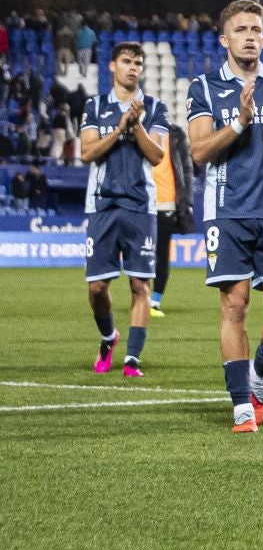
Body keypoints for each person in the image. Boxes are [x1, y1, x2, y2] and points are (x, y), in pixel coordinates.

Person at [185, 0, 263, 433]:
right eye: (241, 29)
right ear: (225, 39)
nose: (251, 36)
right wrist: (239, 122)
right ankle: (241, 405)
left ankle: (258, 375)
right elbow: (198, 151)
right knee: (234, 306)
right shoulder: (203, 87)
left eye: (256, 29)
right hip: (227, 212)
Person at [80, 42, 170, 376]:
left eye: (138, 63)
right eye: (127, 62)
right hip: (102, 204)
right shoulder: (94, 106)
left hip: (140, 206)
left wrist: (136, 126)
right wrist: (120, 127)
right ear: (113, 67)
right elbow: (87, 153)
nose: (133, 68)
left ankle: (132, 358)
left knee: (139, 285)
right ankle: (108, 336)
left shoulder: (156, 108)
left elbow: (157, 155)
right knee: (97, 288)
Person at [148, 123, 193, 320]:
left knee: (162, 254)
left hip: (166, 203)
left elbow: (186, 168)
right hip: (142, 204)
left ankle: (155, 301)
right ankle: (141, 298)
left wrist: (186, 202)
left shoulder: (175, 135)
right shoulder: (138, 131)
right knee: (139, 254)